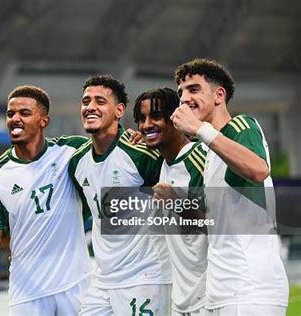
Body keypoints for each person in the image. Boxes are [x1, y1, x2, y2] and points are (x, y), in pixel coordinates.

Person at [171, 58, 288, 315]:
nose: (183, 98)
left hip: (250, 288)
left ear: (219, 95)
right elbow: (210, 224)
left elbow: (258, 170)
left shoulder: (241, 126)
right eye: (181, 92)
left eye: (193, 89)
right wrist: (177, 204)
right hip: (221, 290)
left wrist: (200, 129)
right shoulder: (210, 153)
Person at [0, 85, 90, 315]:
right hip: (26, 292)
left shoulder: (71, 151)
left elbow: (109, 153)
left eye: (24, 113)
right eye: (10, 114)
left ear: (44, 121)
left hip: (75, 285)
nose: (15, 119)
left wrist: (129, 136)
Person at [68, 75, 172, 315]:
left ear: (119, 110)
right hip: (102, 278)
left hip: (145, 276)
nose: (90, 107)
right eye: (86, 101)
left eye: (100, 101)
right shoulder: (77, 162)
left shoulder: (141, 154)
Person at [134, 87, 208, 315]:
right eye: (141, 119)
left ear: (176, 118)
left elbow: (219, 225)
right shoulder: (161, 163)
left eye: (155, 117)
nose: (146, 125)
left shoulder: (201, 158)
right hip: (181, 298)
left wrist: (177, 203)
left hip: (211, 296)